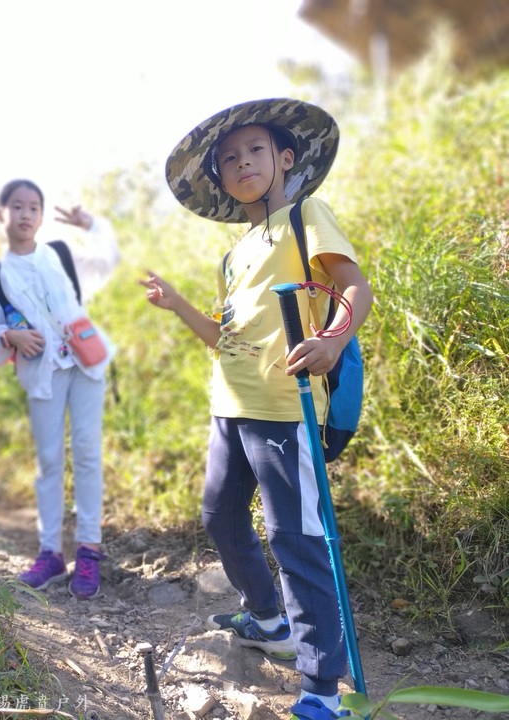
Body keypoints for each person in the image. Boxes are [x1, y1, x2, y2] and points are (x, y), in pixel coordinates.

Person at [141, 98, 373, 719]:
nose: (243, 163)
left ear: (284, 159)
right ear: (220, 176)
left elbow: (355, 288)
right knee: (219, 514)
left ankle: (323, 685)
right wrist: (178, 303)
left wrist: (331, 340)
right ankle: (268, 619)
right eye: (230, 158)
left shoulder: (306, 216)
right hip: (231, 406)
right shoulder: (233, 254)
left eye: (256, 152)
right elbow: (226, 337)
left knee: (294, 535)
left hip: (285, 407)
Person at [0, 179, 120, 600]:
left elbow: (107, 260)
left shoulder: (60, 253)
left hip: (85, 364)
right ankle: (50, 552)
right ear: (1, 214)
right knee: (48, 460)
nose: (25, 215)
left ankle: (89, 550)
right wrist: (10, 336)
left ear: (41, 216)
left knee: (88, 451)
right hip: (42, 373)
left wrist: (91, 223)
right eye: (17, 207)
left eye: (34, 207)